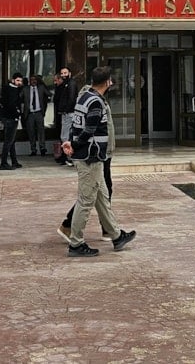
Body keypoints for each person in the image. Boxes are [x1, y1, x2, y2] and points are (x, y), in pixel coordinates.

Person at [60, 66, 137, 257]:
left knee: (102, 196)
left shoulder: (84, 97)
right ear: (107, 82)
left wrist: (71, 142)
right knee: (86, 200)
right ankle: (76, 243)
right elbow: (89, 130)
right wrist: (75, 144)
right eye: (111, 80)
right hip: (90, 158)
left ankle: (116, 235)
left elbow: (76, 125)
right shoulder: (95, 102)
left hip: (91, 157)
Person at [52, 65, 79, 166]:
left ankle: (69, 157)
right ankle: (67, 157)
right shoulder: (65, 84)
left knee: (65, 136)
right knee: (65, 135)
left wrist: (66, 110)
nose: (63, 75)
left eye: (65, 73)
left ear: (69, 74)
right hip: (66, 113)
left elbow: (71, 99)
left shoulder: (71, 83)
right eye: (62, 73)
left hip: (69, 113)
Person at [0, 72, 25, 170]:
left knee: (11, 141)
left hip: (9, 117)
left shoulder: (10, 89)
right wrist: (17, 113)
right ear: (13, 80)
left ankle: (14, 161)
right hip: (11, 118)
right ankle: (3, 163)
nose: (19, 82)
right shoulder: (12, 90)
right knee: (9, 141)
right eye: (18, 80)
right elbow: (11, 104)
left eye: (21, 81)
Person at [23, 73, 50, 156]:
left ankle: (42, 148)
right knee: (31, 132)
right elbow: (19, 97)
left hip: (39, 112)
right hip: (30, 113)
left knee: (41, 131)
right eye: (32, 80)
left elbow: (49, 94)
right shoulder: (25, 89)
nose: (33, 81)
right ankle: (33, 149)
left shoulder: (41, 88)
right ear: (29, 81)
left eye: (35, 80)